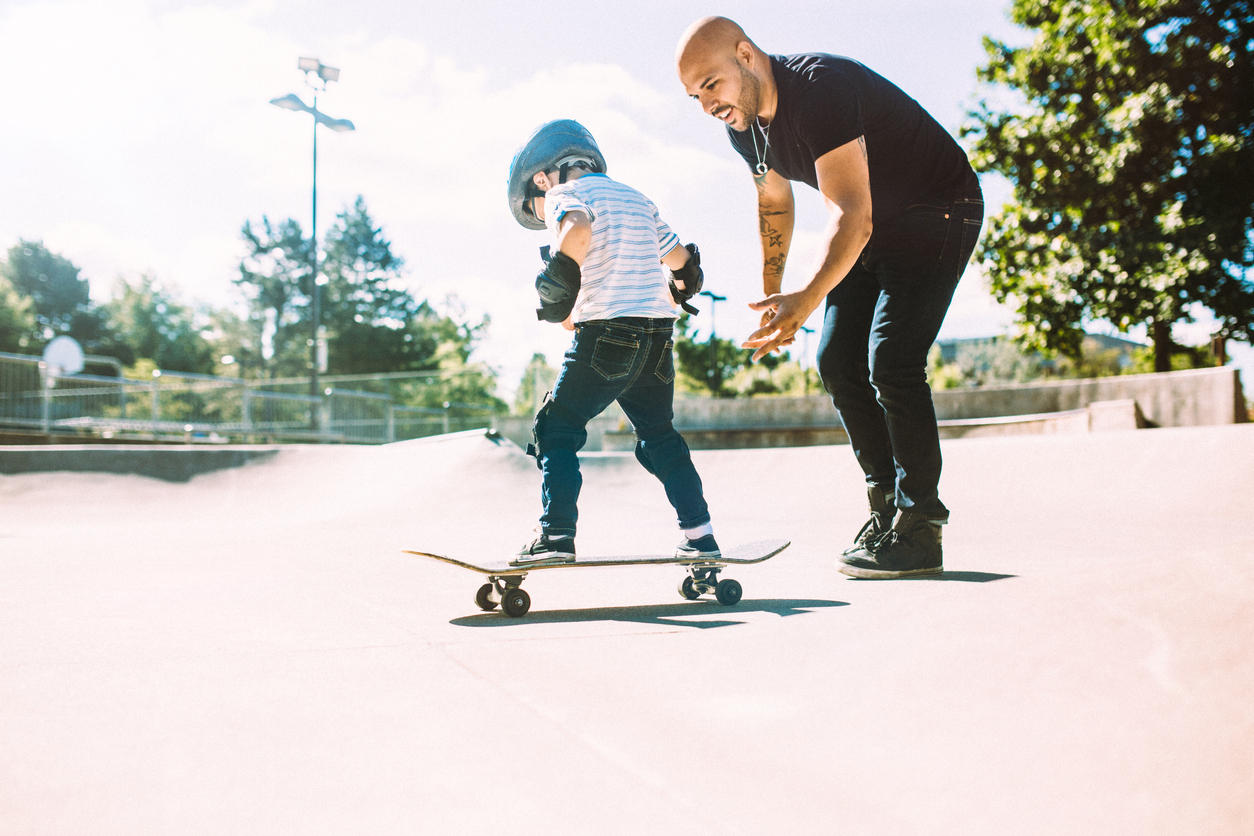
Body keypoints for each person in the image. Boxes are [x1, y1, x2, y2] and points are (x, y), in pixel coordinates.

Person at [676, 17, 984, 579]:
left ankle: (920, 528)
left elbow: (850, 214)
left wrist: (809, 298)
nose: (706, 106)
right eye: (694, 96)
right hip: (874, 225)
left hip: (938, 208)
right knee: (837, 361)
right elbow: (774, 201)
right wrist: (778, 295)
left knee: (891, 360)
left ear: (747, 55)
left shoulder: (819, 88)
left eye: (711, 85)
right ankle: (886, 506)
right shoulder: (743, 127)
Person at [505, 119, 719, 566]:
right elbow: (683, 264)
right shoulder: (638, 199)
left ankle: (556, 535)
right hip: (658, 337)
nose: (544, 216)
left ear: (542, 178)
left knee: (557, 429)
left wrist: (559, 282)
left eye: (536, 207)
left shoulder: (565, 196)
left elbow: (578, 230)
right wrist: (680, 284)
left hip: (607, 336)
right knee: (660, 437)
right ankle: (700, 538)